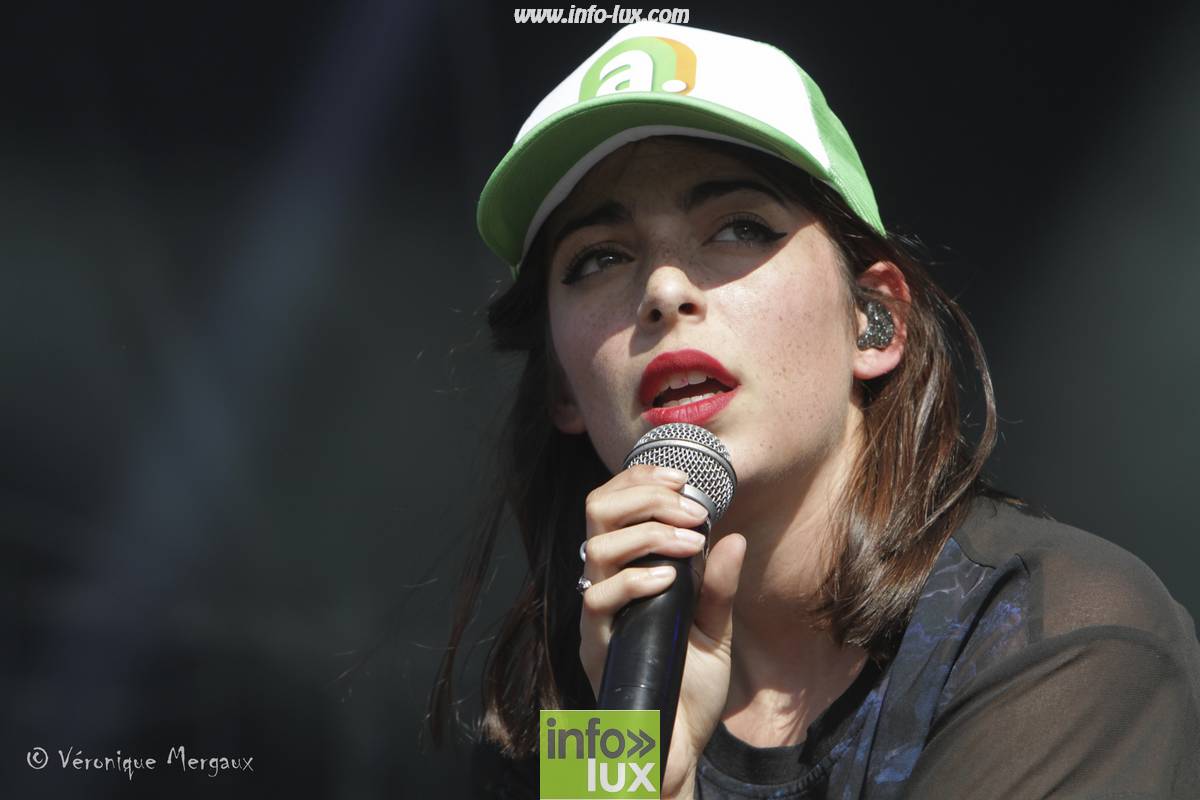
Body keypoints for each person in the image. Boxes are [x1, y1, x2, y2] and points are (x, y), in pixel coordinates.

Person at [427, 20, 1200, 799]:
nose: (662, 290)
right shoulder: (558, 717)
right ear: (563, 388)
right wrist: (623, 771)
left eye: (739, 228)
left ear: (874, 321)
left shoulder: (1055, 636)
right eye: (599, 257)